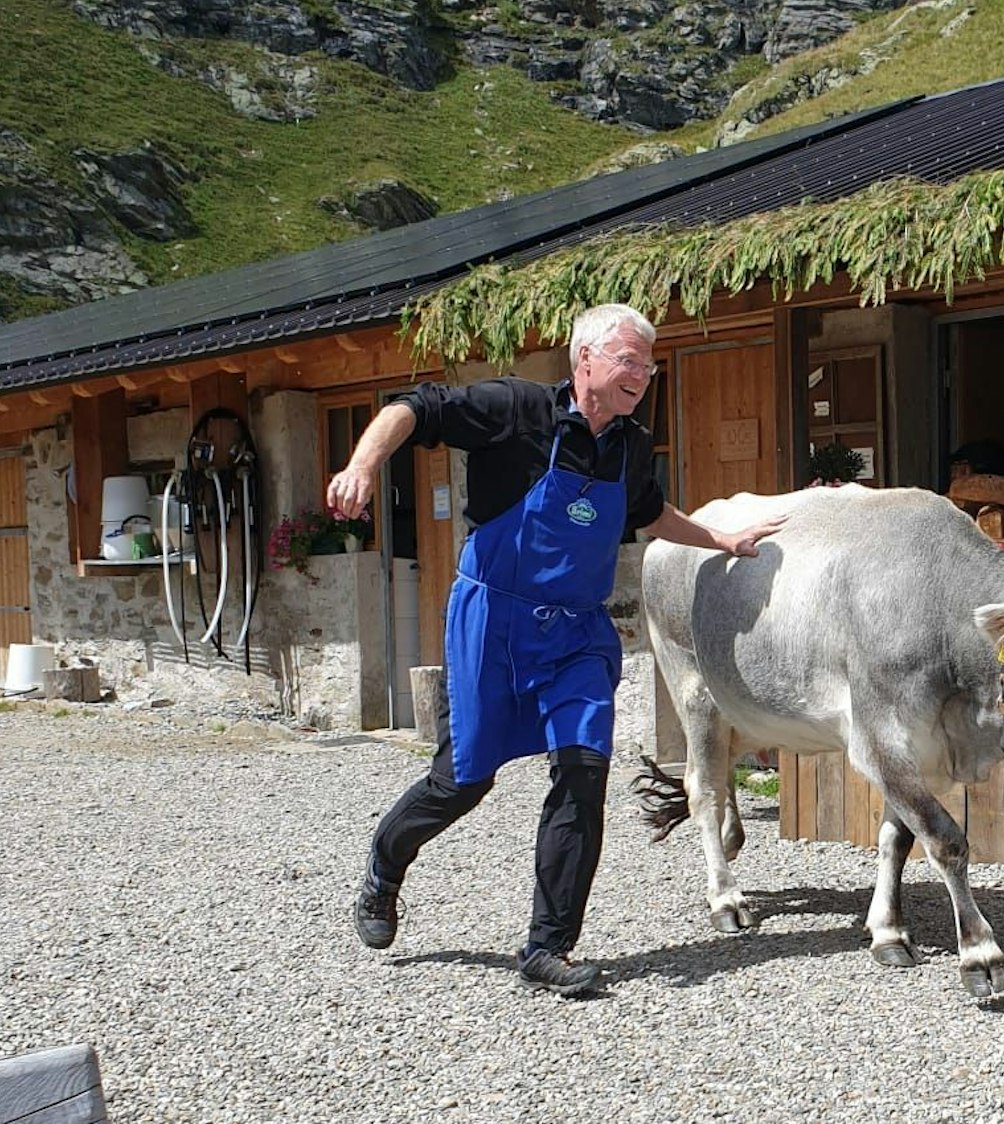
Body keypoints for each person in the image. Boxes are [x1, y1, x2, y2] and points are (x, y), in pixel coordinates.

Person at [330, 302, 783, 998]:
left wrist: (719, 539)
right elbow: (412, 408)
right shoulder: (515, 410)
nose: (642, 374)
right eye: (629, 360)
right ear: (585, 360)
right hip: (493, 625)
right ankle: (385, 863)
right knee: (462, 781)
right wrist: (363, 464)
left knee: (582, 774)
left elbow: (649, 513)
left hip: (576, 636)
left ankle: (548, 947)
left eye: (649, 365)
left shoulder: (631, 445)